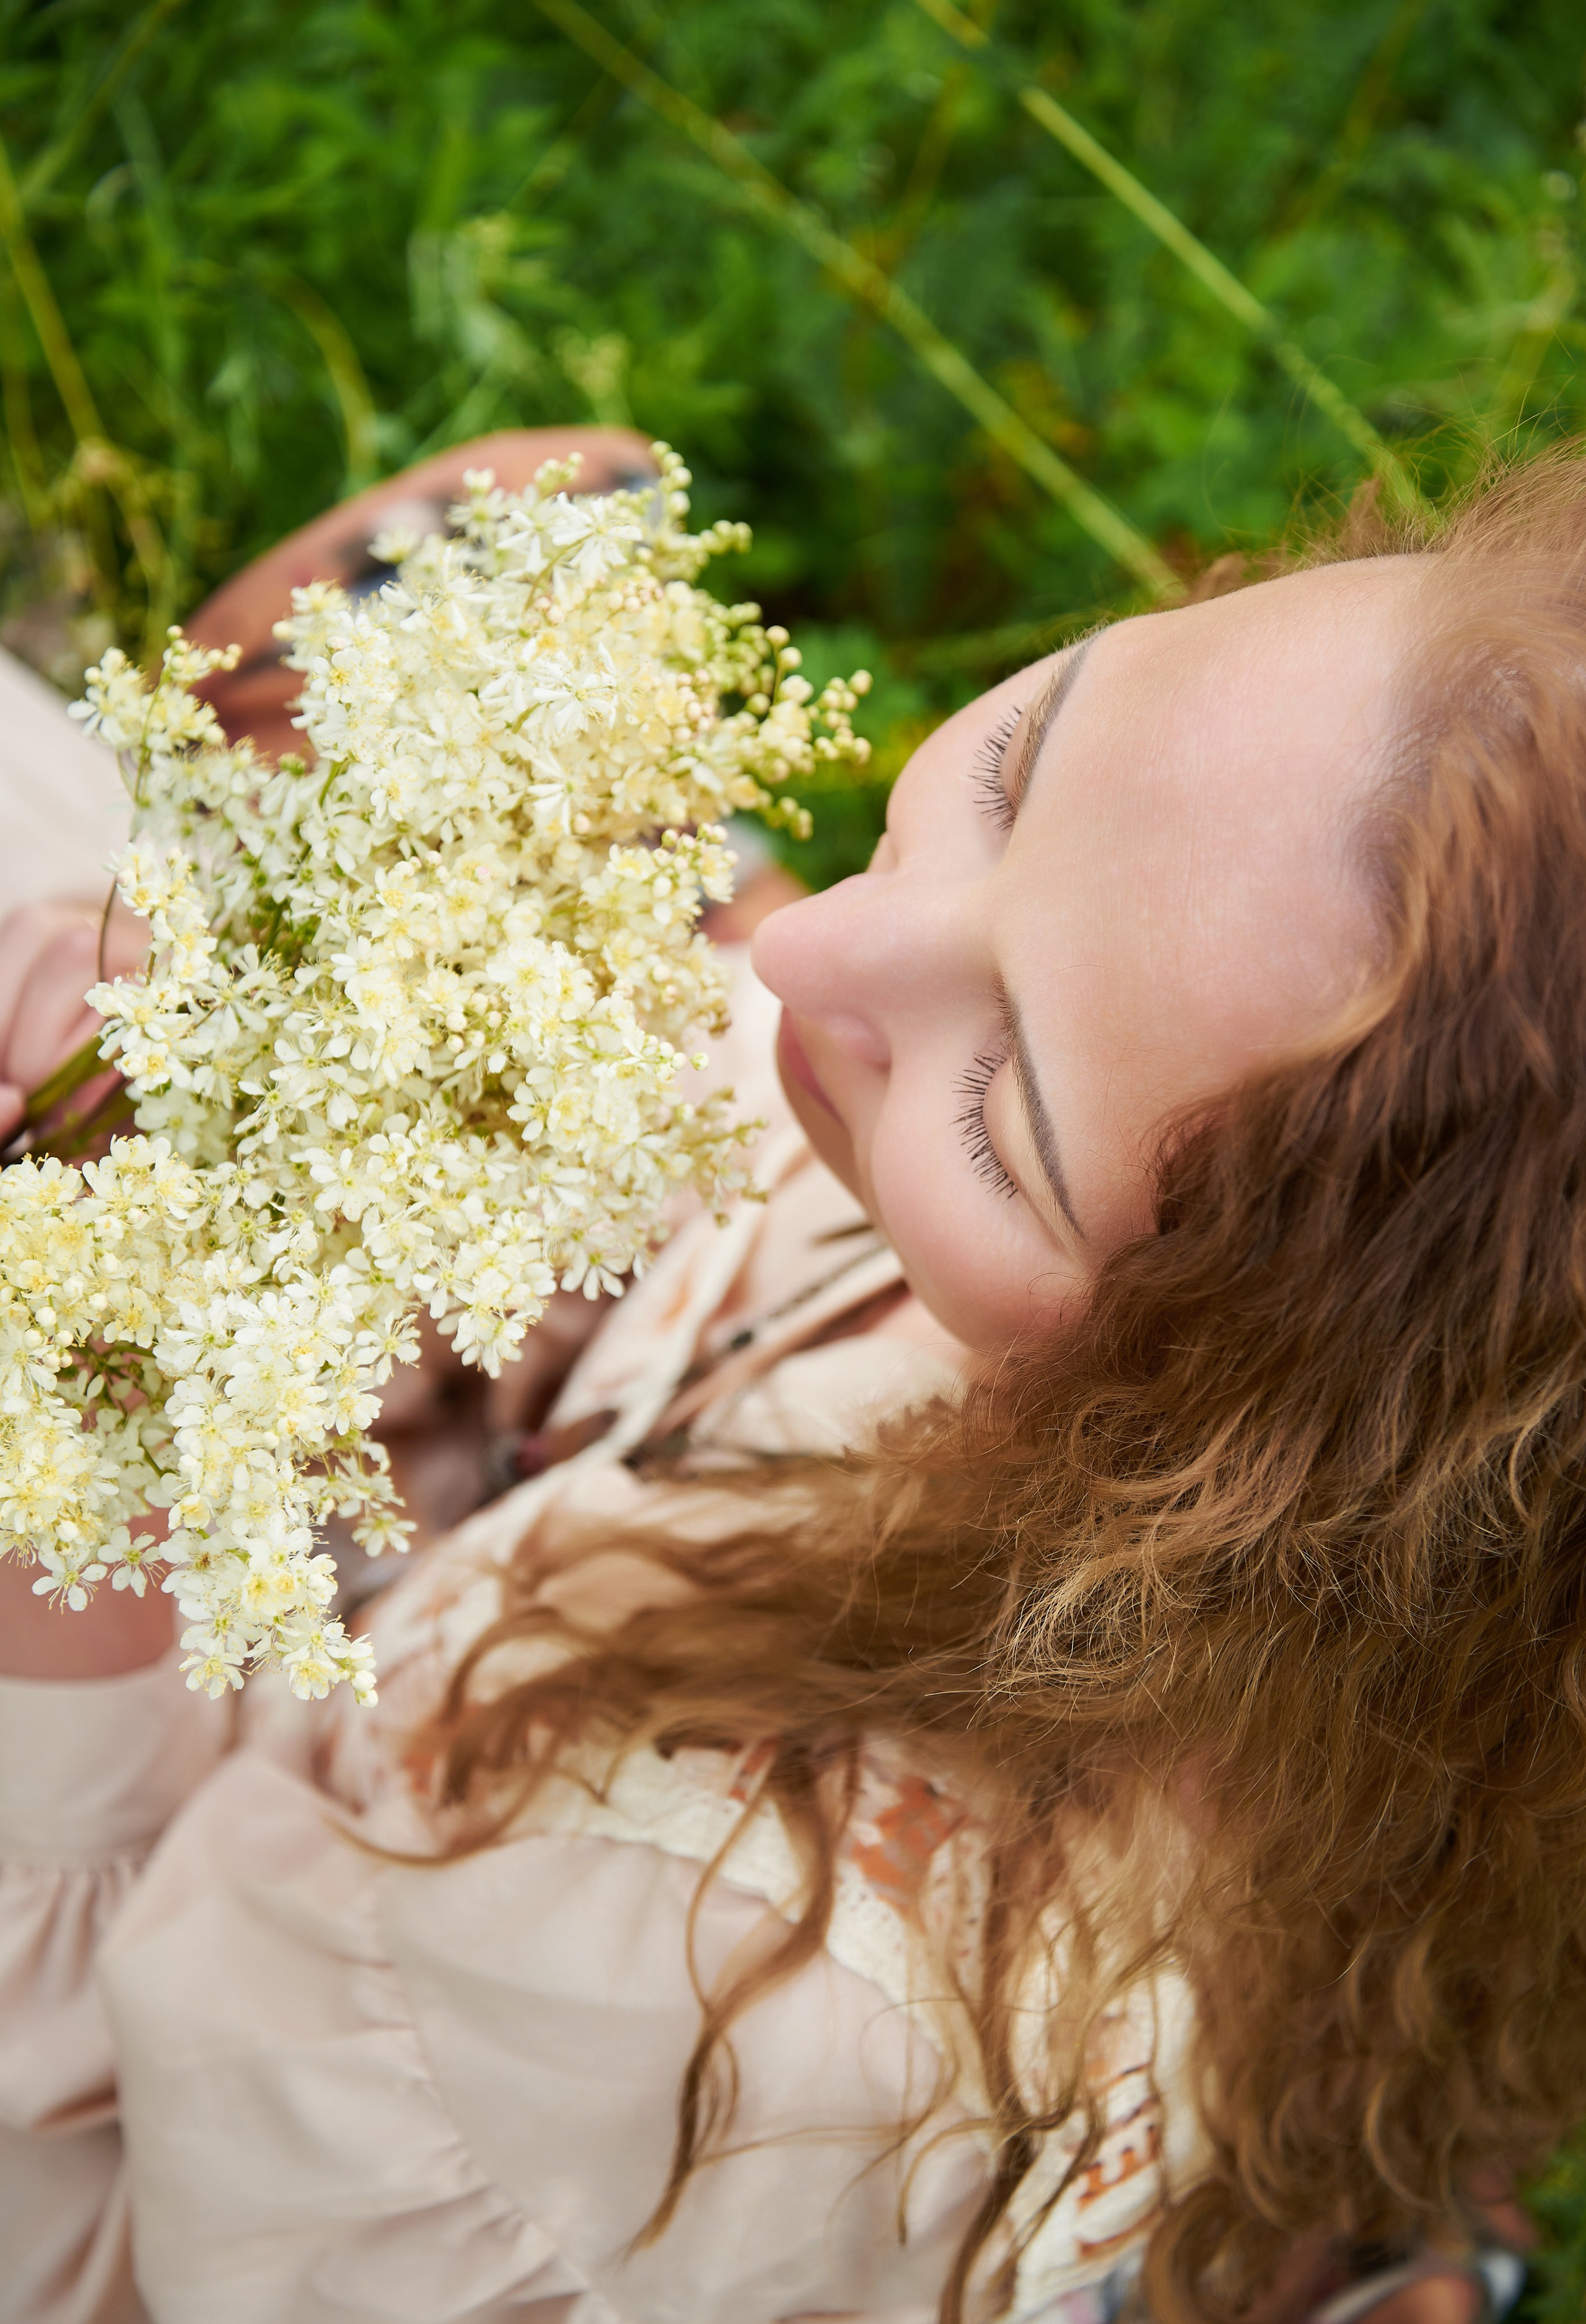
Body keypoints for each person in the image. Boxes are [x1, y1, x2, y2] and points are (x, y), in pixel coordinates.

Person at [0, 435, 1575, 2324]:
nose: (820, 939)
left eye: (999, 1101)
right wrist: (265, 1102)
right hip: (545, 1647)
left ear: (1233, 1412)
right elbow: (708, 1203)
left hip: (179, 2117)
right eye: (1015, 771)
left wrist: (92, 1409)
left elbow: (119, 2097)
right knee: (545, 536)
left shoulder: (692, 1968)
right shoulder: (1158, 1361)